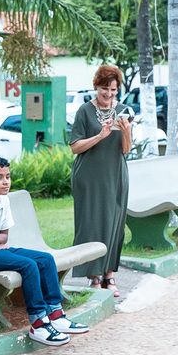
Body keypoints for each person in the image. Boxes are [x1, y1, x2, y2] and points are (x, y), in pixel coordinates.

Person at [0, 155, 90, 346]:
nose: (5, 182)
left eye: (8, 176)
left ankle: (56, 315)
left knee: (45, 259)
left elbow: (3, 237)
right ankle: (38, 324)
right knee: (28, 265)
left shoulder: (4, 200)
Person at [69, 65, 133, 297]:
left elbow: (126, 150)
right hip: (89, 176)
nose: (108, 94)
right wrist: (100, 136)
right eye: (104, 89)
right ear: (96, 86)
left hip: (116, 175)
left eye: (113, 89)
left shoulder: (125, 110)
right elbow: (75, 147)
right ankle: (93, 276)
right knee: (91, 224)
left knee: (115, 223)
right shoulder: (84, 111)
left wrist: (126, 132)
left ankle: (109, 274)